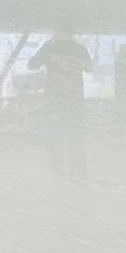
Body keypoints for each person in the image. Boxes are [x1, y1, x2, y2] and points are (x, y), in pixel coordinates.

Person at [28, 30, 94, 181]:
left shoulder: (49, 47)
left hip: (54, 102)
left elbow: (32, 65)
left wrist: (52, 58)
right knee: (75, 140)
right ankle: (78, 178)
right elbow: (90, 68)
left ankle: (58, 178)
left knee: (54, 139)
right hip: (75, 102)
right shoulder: (79, 49)